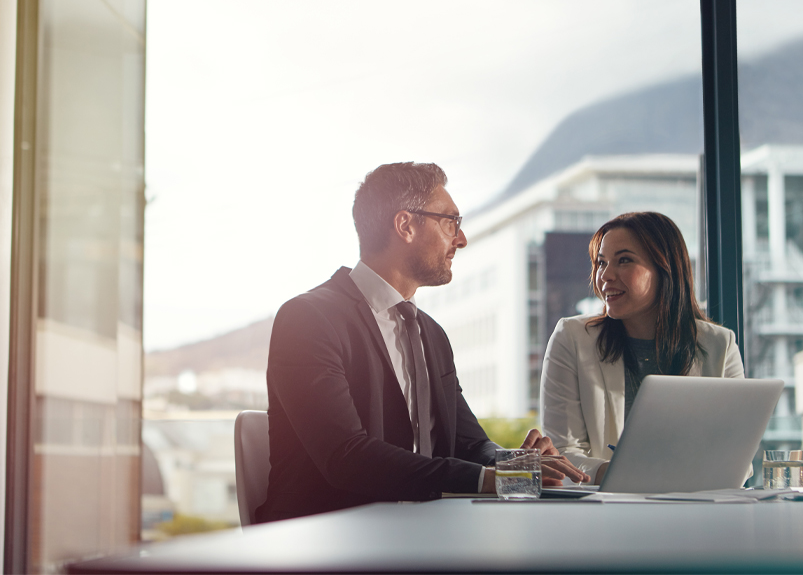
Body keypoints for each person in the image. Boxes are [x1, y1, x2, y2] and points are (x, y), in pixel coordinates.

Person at [258, 162, 587, 523]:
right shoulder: (308, 319)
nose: (460, 239)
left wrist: (521, 464)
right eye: (450, 222)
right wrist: (491, 481)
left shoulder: (431, 333)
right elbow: (345, 457)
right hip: (329, 540)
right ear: (406, 225)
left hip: (426, 530)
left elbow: (470, 445)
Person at [540, 211, 745, 485]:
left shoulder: (720, 345)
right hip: (603, 512)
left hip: (694, 510)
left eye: (624, 260)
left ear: (665, 268)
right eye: (601, 263)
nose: (605, 275)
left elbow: (736, 459)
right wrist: (629, 476)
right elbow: (562, 455)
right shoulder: (573, 338)